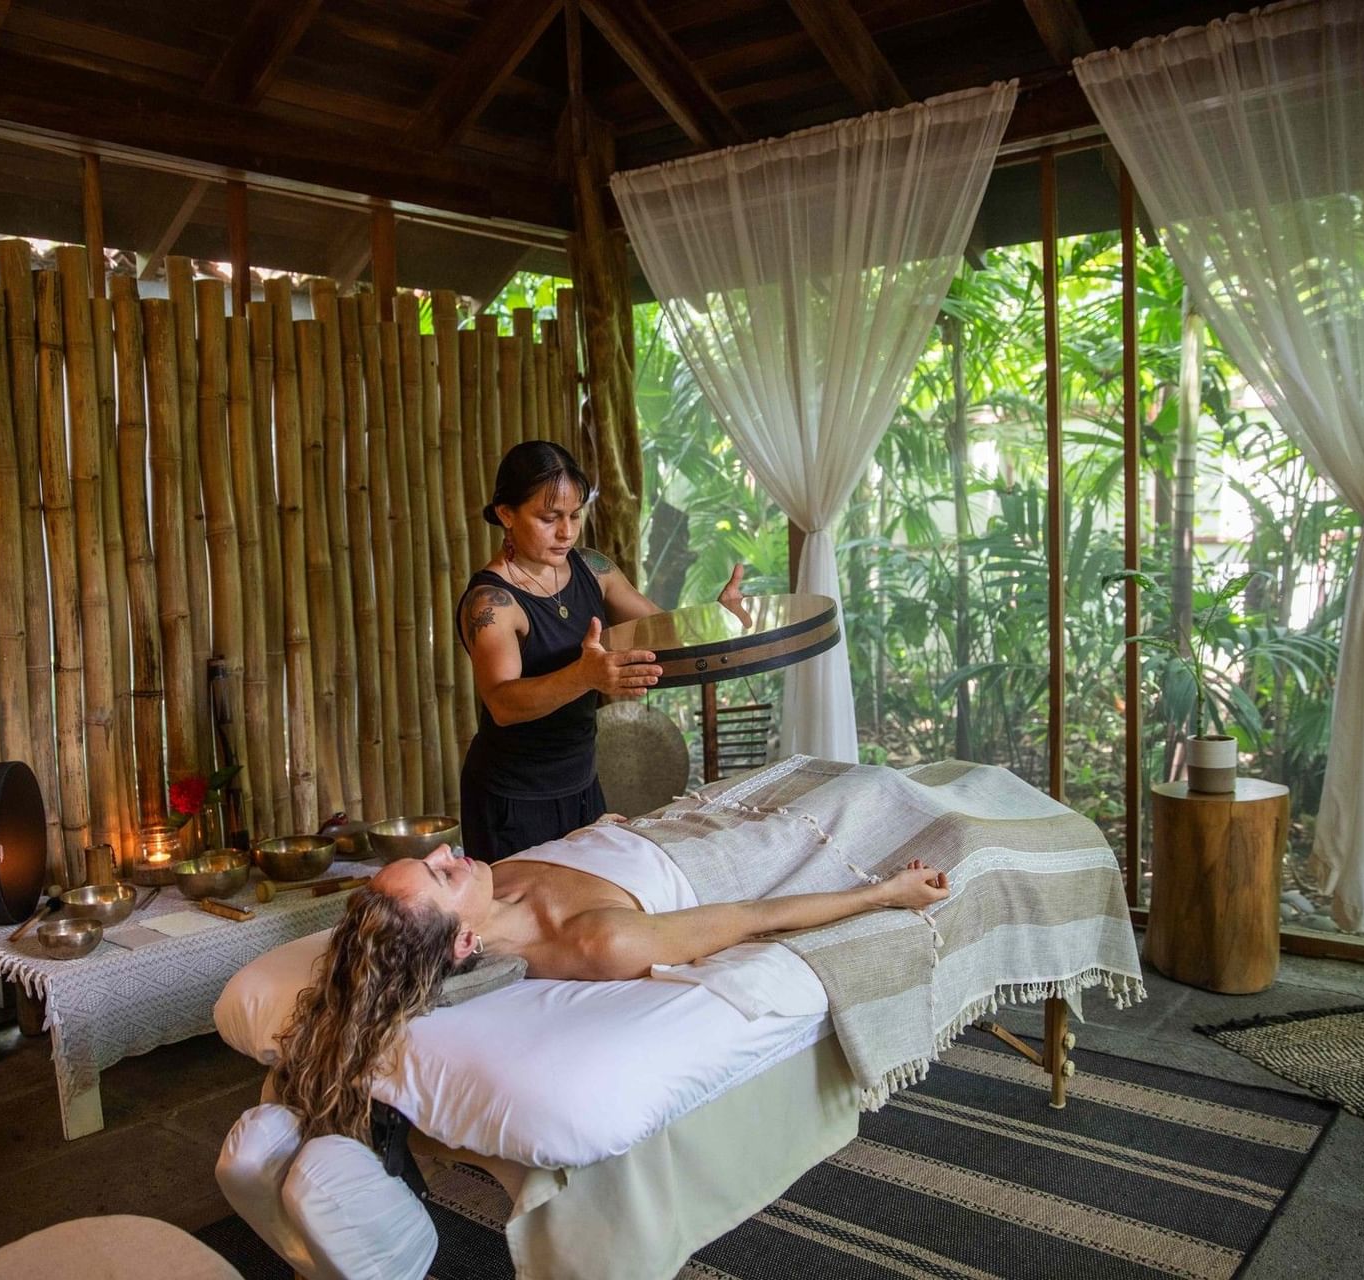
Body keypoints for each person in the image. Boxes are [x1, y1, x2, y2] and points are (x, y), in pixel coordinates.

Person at [271, 835, 949, 1141]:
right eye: (443, 874)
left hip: (675, 827)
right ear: (464, 945)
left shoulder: (490, 884)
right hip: (719, 856)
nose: (451, 852)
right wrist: (886, 893)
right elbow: (754, 917)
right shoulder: (596, 942)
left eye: (433, 858)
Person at [455, 441, 744, 861]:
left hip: (582, 783)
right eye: (548, 518)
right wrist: (585, 675)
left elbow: (663, 631)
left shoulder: (593, 569)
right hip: (513, 799)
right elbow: (503, 702)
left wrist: (718, 619)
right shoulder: (491, 603)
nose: (566, 532)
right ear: (506, 514)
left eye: (574, 515)